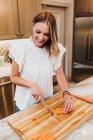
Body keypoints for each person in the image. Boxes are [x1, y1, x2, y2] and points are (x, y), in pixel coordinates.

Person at [9, 11, 74, 113]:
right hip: (25, 106)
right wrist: (32, 84)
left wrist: (66, 94)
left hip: (46, 103)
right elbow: (13, 77)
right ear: (33, 26)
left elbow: (60, 74)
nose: (41, 37)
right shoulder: (21, 48)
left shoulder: (54, 49)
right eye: (38, 32)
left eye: (46, 34)